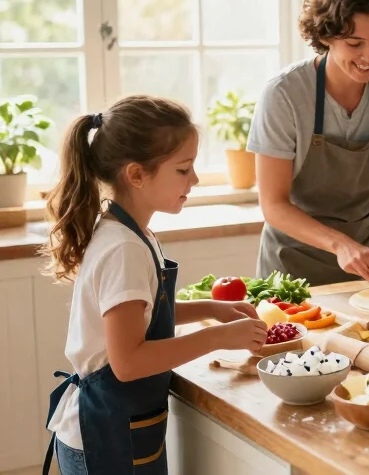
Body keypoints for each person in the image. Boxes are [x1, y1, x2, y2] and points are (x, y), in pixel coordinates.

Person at [40, 96, 268, 475]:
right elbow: (128, 362)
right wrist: (218, 338)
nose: (194, 180)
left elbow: (141, 316)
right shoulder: (124, 249)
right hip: (104, 438)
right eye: (183, 169)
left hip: (123, 427)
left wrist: (209, 310)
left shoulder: (132, 231)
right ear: (136, 175)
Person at [248, 0, 369, 286]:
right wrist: (340, 244)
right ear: (326, 36)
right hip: (291, 263)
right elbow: (273, 204)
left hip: (365, 262)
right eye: (355, 43)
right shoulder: (285, 93)